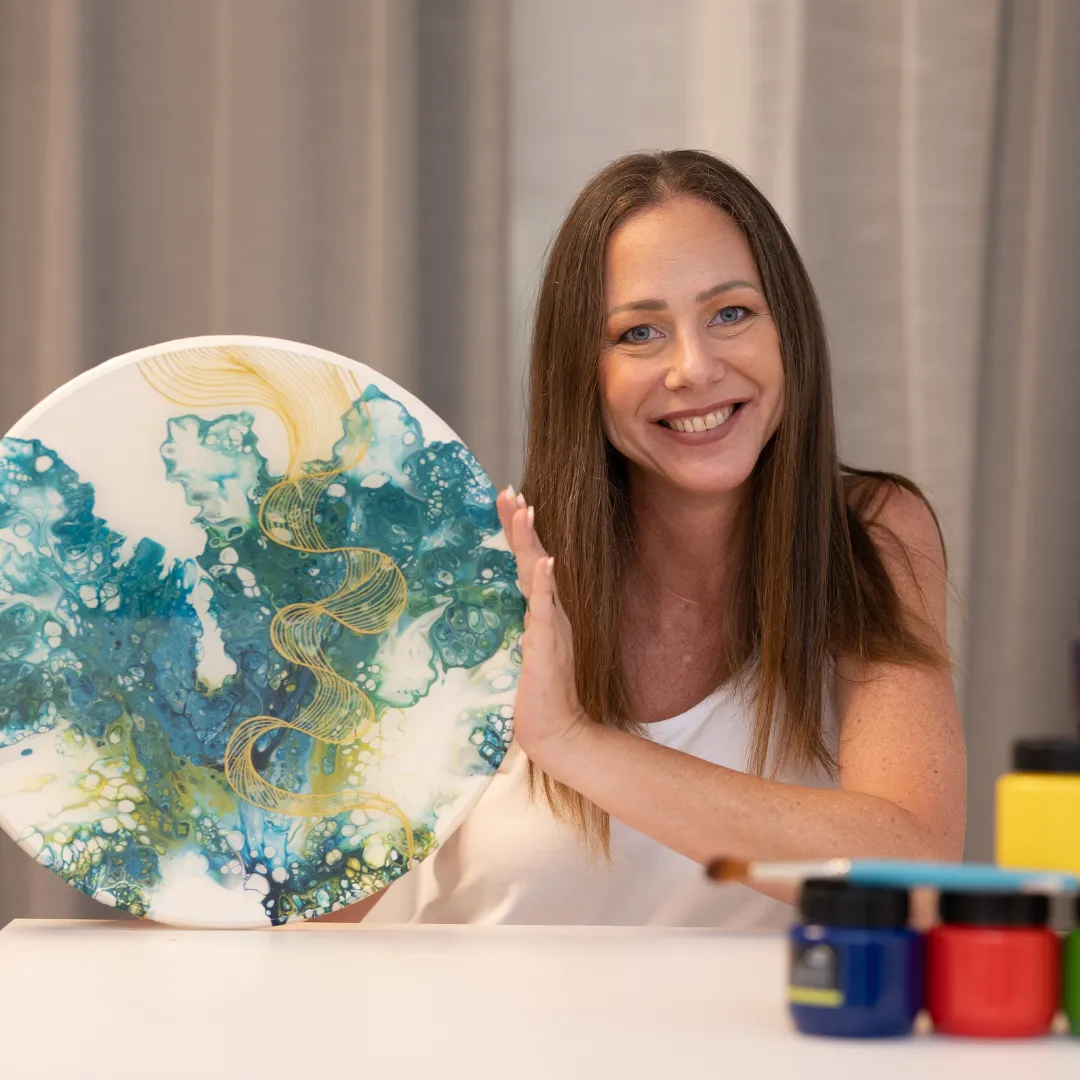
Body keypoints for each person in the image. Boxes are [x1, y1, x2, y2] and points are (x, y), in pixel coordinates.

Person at [328, 149, 966, 928]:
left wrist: (573, 741)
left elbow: (915, 867)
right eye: (639, 333)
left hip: (767, 1017)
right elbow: (311, 912)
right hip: (471, 1011)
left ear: (788, 331)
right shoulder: (477, 581)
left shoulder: (869, 536)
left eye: (731, 314)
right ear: (582, 372)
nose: (694, 368)